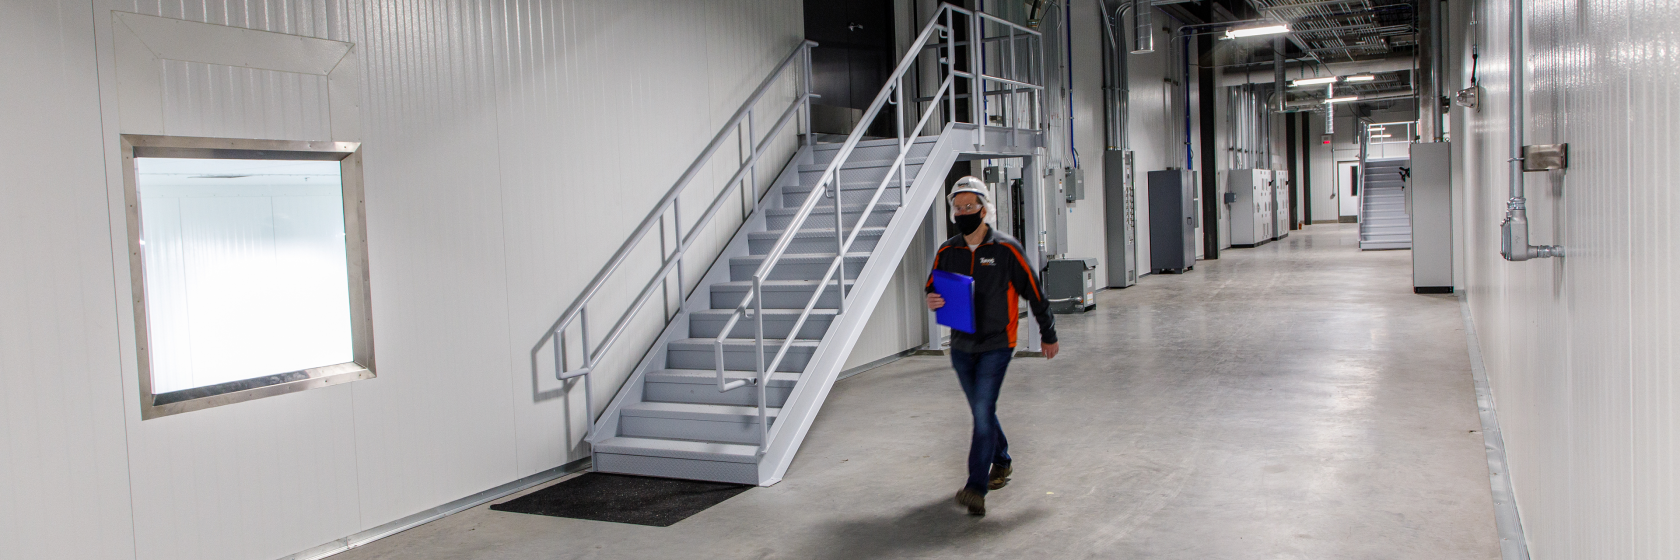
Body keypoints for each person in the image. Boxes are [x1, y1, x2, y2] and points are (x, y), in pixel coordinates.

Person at [925, 176, 1059, 516]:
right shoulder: (948, 250)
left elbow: (1034, 292)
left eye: (969, 206)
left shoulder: (1006, 249)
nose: (963, 212)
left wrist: (1048, 333)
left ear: (984, 210)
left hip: (998, 344)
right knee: (982, 411)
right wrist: (932, 298)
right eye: (958, 207)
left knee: (982, 412)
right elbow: (932, 285)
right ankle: (1002, 460)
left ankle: (975, 487)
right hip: (960, 346)